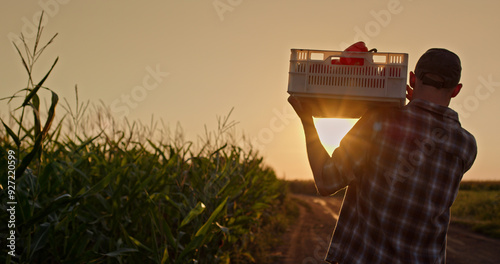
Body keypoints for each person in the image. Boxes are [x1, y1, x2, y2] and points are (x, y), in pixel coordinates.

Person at [288, 48, 477, 264]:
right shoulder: (466, 146)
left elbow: (325, 180)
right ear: (456, 90)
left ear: (413, 79)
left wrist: (306, 119)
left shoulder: (381, 121)